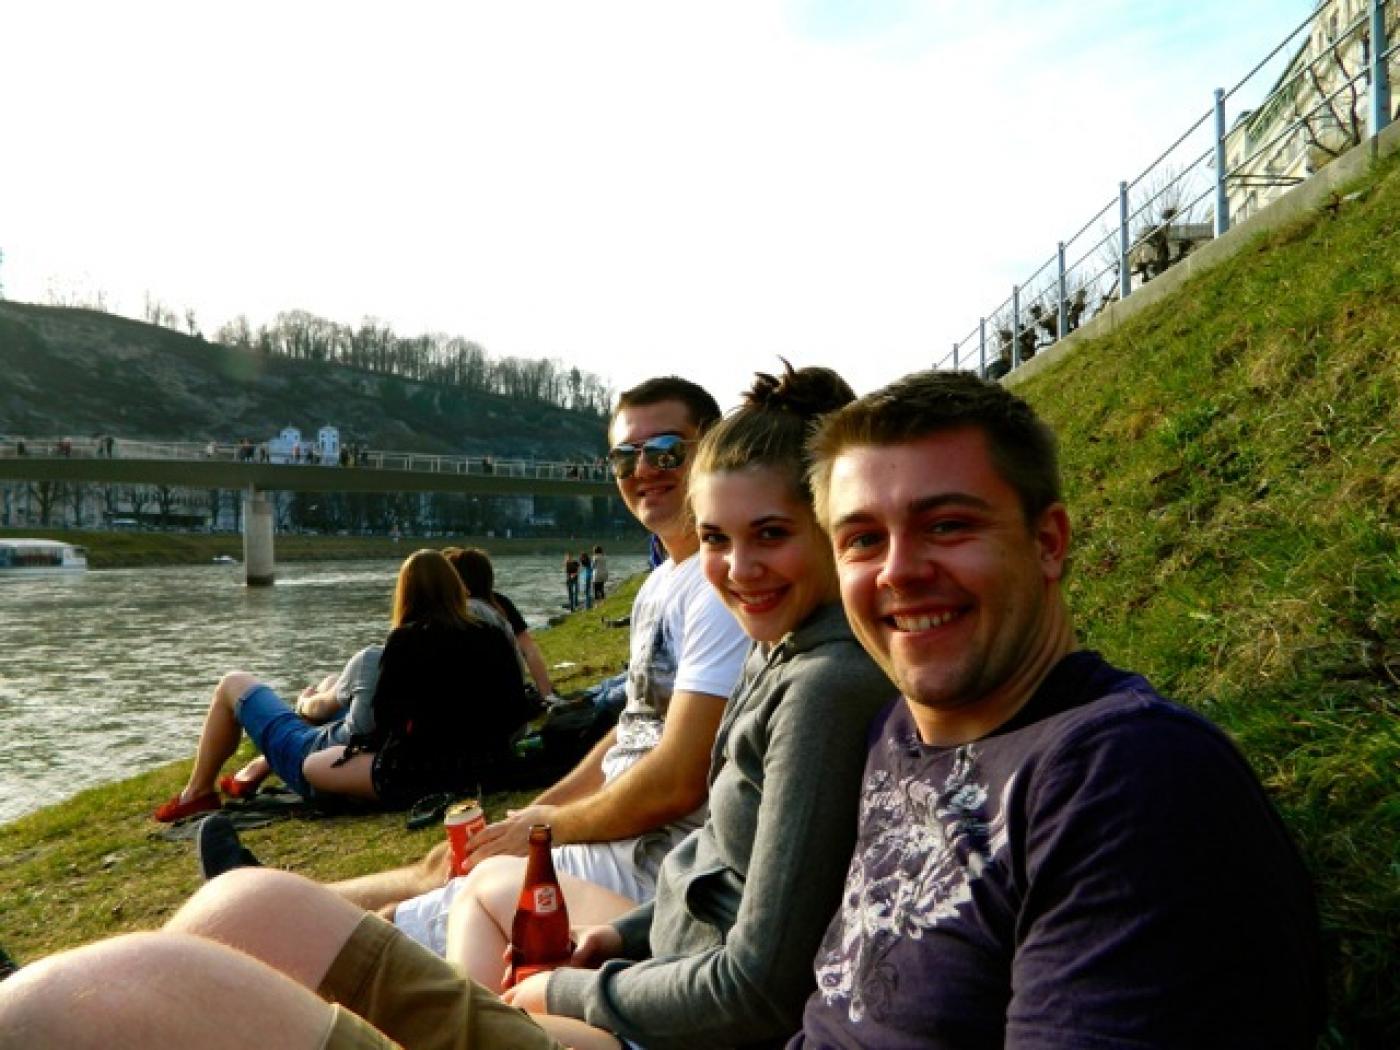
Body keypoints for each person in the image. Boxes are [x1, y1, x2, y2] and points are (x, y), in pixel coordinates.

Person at [0, 377, 749, 1048]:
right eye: (625, 458)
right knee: (415, 876)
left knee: (381, 922)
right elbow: (632, 729)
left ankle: (115, 994)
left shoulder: (719, 590)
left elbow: (677, 777)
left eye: (664, 450)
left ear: (712, 452)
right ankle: (159, 966)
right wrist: (544, 806)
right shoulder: (663, 583)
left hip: (639, 858)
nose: (643, 470)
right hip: (531, 794)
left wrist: (540, 828)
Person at [787, 370, 1325, 1048]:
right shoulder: (897, 733)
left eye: (947, 524)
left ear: (1048, 542)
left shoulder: (1128, 777)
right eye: (862, 539)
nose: (898, 571)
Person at [487, 363, 894, 1047]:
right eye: (715, 539)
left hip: (688, 1024)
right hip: (666, 966)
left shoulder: (824, 688)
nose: (738, 570)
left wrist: (567, 991)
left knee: (275, 922)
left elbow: (758, 992)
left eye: (770, 534)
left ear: (830, 525)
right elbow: (725, 862)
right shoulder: (779, 647)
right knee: (484, 906)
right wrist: (617, 936)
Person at [152, 549, 532, 821]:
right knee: (336, 693)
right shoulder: (490, 637)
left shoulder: (402, 645)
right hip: (483, 762)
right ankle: (254, 767)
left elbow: (371, 729)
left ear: (406, 594)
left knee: (233, 684)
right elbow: (514, 706)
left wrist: (315, 705)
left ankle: (198, 792)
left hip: (405, 771)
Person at [444, 545, 557, 701]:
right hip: (509, 701)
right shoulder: (500, 604)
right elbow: (529, 650)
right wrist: (548, 695)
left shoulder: (453, 610)